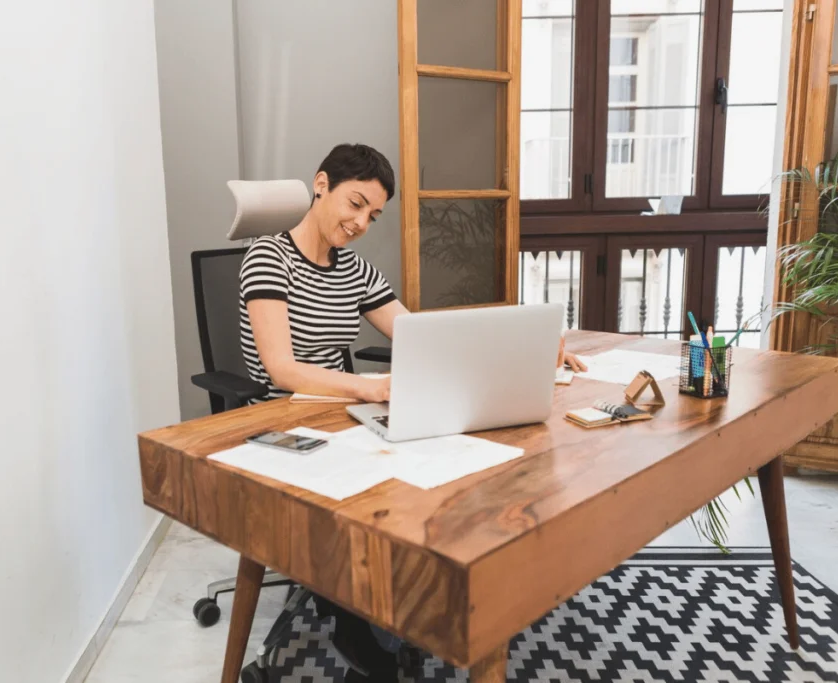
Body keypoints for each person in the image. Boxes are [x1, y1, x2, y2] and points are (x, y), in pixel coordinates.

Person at [237, 143, 586, 681]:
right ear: (322, 183)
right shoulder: (268, 256)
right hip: (278, 419)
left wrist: (537, 348)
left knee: (430, 470)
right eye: (354, 204)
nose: (360, 223)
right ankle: (352, 615)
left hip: (340, 411)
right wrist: (372, 389)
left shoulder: (352, 268)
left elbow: (423, 337)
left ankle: (405, 600)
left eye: (372, 215)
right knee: (371, 484)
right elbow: (281, 369)